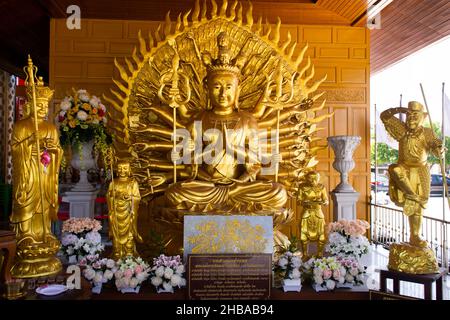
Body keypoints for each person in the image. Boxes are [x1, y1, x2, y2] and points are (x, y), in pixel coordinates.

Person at [164, 32, 287, 213]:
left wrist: (233, 154)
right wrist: (179, 157)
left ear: (238, 90)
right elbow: (187, 160)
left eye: (228, 87)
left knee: (278, 192)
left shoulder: (247, 120)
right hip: (207, 187)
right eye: (216, 87)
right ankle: (231, 205)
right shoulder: (198, 119)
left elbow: (256, 164)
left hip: (240, 186)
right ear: (207, 89)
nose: (223, 94)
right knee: (174, 192)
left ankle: (223, 204)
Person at [10, 63, 63, 278]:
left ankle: (45, 234)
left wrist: (54, 151)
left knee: (44, 203)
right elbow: (15, 150)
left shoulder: (50, 127)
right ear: (29, 105)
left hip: (45, 172)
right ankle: (27, 237)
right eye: (38, 105)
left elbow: (58, 152)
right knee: (29, 203)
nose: (42, 109)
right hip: (29, 174)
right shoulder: (22, 126)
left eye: (44, 106)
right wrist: (29, 145)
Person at [381, 101, 443, 247]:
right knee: (394, 169)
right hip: (403, 168)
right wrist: (400, 109)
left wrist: (439, 149)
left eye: (415, 115)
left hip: (421, 170)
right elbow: (384, 116)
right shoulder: (402, 129)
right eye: (409, 114)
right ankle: (413, 195)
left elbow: (435, 149)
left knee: (417, 208)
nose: (411, 118)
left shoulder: (428, 132)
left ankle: (415, 236)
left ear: (423, 117)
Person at [107, 160, 143, 259]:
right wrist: (114, 197)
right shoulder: (113, 182)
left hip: (128, 212)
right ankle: (117, 252)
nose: (122, 171)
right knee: (116, 235)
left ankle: (129, 254)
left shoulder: (133, 183)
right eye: (120, 168)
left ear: (129, 169)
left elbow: (137, 197)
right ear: (116, 170)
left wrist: (130, 198)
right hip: (116, 213)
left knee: (129, 235)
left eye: (125, 168)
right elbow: (108, 196)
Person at [297, 171, 328, 260]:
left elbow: (326, 200)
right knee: (303, 235)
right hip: (306, 212)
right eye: (310, 178)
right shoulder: (302, 187)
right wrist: (304, 202)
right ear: (307, 178)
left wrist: (324, 202)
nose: (313, 180)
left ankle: (319, 254)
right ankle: (305, 255)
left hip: (318, 213)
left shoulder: (321, 187)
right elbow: (298, 201)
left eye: (315, 178)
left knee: (321, 236)